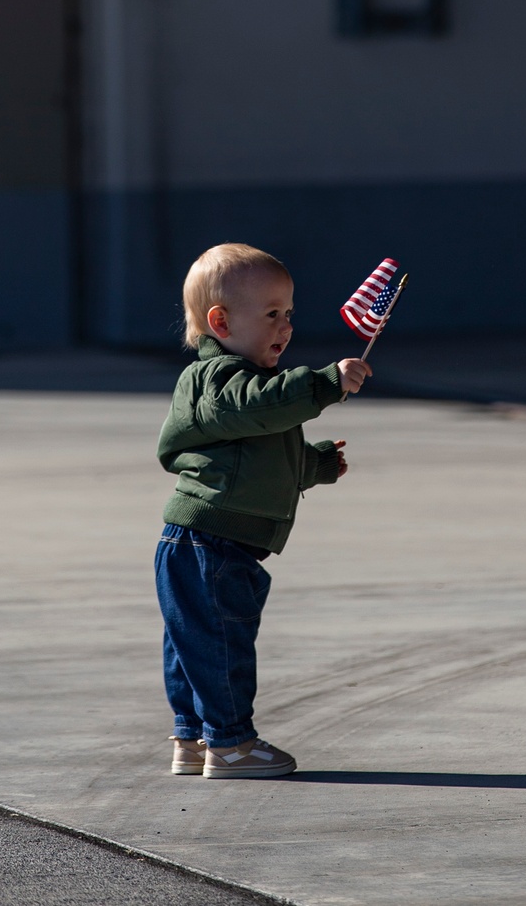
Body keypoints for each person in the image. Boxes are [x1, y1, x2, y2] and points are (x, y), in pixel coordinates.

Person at [154, 242, 372, 778]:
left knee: (196, 646)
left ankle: (195, 739)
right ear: (220, 321)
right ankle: (231, 744)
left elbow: (261, 455)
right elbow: (255, 408)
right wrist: (323, 383)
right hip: (208, 542)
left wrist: (315, 466)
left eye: (289, 313)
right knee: (219, 645)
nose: (286, 327)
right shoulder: (217, 380)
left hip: (210, 542)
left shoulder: (249, 390)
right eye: (272, 314)